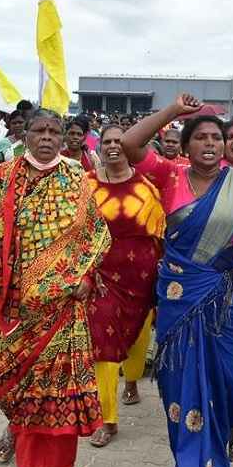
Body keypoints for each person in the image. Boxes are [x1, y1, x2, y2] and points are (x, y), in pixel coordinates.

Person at [121, 94, 233, 467]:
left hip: (227, 299)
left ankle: (219, 440)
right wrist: (174, 112)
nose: (210, 143)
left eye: (216, 138)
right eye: (201, 137)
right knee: (183, 384)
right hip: (180, 295)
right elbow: (129, 144)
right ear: (187, 145)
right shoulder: (168, 175)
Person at [0, 109, 111, 467]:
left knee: (59, 393)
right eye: (39, 130)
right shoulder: (1, 177)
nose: (46, 137)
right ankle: (18, 430)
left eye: (53, 131)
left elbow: (95, 235)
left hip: (65, 309)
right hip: (17, 312)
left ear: (62, 138)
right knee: (21, 389)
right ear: (24, 135)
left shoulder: (76, 177)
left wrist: (86, 276)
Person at [85, 125, 165, 448]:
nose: (114, 146)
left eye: (120, 141)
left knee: (138, 339)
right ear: (100, 147)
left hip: (142, 276)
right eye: (108, 142)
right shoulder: (85, 185)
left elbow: (160, 232)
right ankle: (108, 419)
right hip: (102, 276)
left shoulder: (148, 185)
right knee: (104, 341)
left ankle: (131, 379)